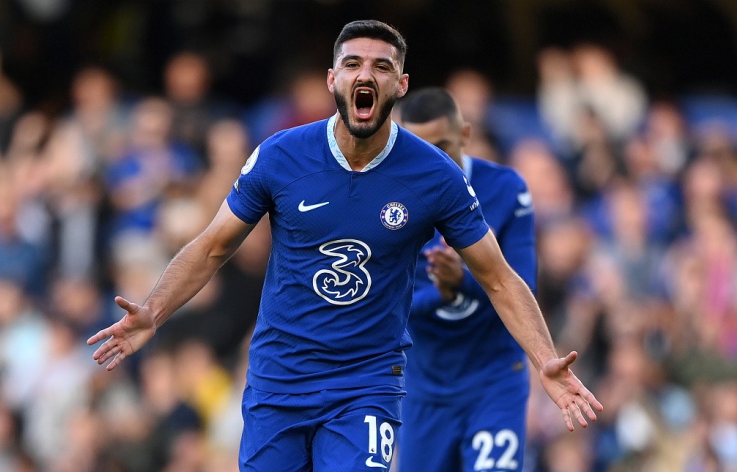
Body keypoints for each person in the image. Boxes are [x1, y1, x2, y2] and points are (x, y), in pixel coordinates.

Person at [88, 19, 602, 471]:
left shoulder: (435, 176)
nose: (365, 75)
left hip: (366, 385)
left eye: (382, 67)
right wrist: (154, 311)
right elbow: (211, 247)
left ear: (400, 85)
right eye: (353, 64)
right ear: (332, 79)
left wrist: (545, 358)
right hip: (279, 380)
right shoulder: (282, 156)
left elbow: (498, 277)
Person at [395, 86, 536, 471]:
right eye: (419, 148)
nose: (433, 160)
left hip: (494, 381)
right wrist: (445, 293)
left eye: (442, 145)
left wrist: (462, 281)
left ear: (466, 135)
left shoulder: (507, 190)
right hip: (425, 387)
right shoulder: (389, 201)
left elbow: (524, 288)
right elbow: (386, 304)